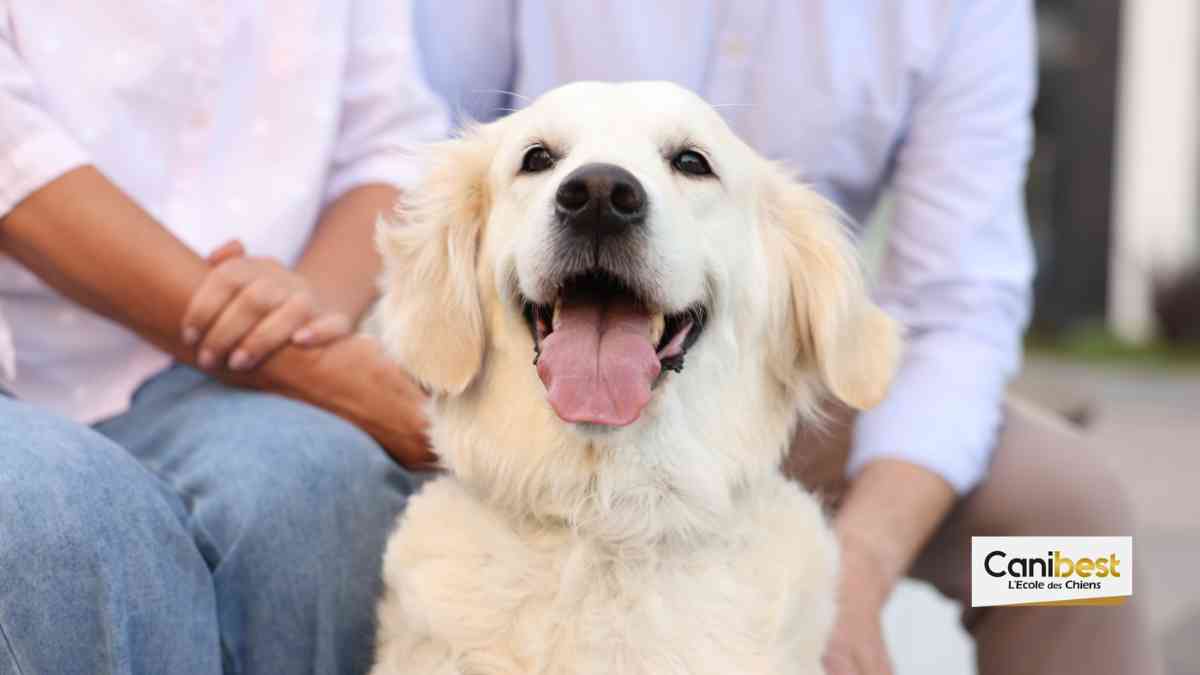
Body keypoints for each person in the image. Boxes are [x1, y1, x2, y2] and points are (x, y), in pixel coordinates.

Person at [411, 2, 1163, 674]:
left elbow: (956, 309)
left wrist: (858, 568)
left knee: (1076, 549)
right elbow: (416, 141)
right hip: (507, 393)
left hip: (772, 397)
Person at [0, 2, 441, 673]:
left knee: (320, 487)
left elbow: (390, 147)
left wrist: (302, 308)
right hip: (26, 358)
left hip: (236, 366)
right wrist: (309, 364)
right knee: (61, 517)